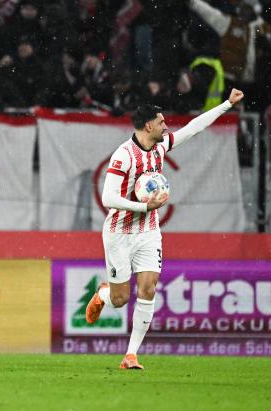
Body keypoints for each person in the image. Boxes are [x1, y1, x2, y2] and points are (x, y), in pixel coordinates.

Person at [86, 88, 245, 369]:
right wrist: (144, 207)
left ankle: (131, 354)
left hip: (148, 231)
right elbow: (107, 198)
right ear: (148, 125)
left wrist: (226, 105)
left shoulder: (159, 147)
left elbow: (193, 129)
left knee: (148, 288)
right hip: (119, 233)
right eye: (161, 122)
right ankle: (103, 294)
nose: (166, 126)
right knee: (120, 298)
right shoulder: (123, 156)